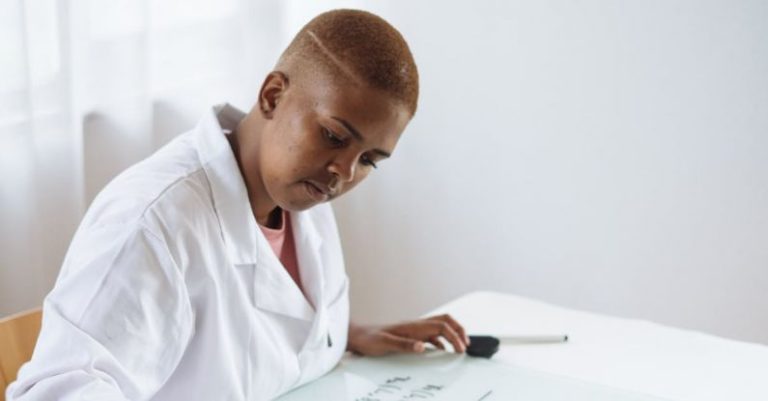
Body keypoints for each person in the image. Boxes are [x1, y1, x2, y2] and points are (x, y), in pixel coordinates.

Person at [6, 9, 470, 401]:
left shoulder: (303, 193)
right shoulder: (151, 223)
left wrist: (339, 336)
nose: (344, 173)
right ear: (273, 96)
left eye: (369, 160)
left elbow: (259, 331)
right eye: (333, 136)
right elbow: (61, 391)